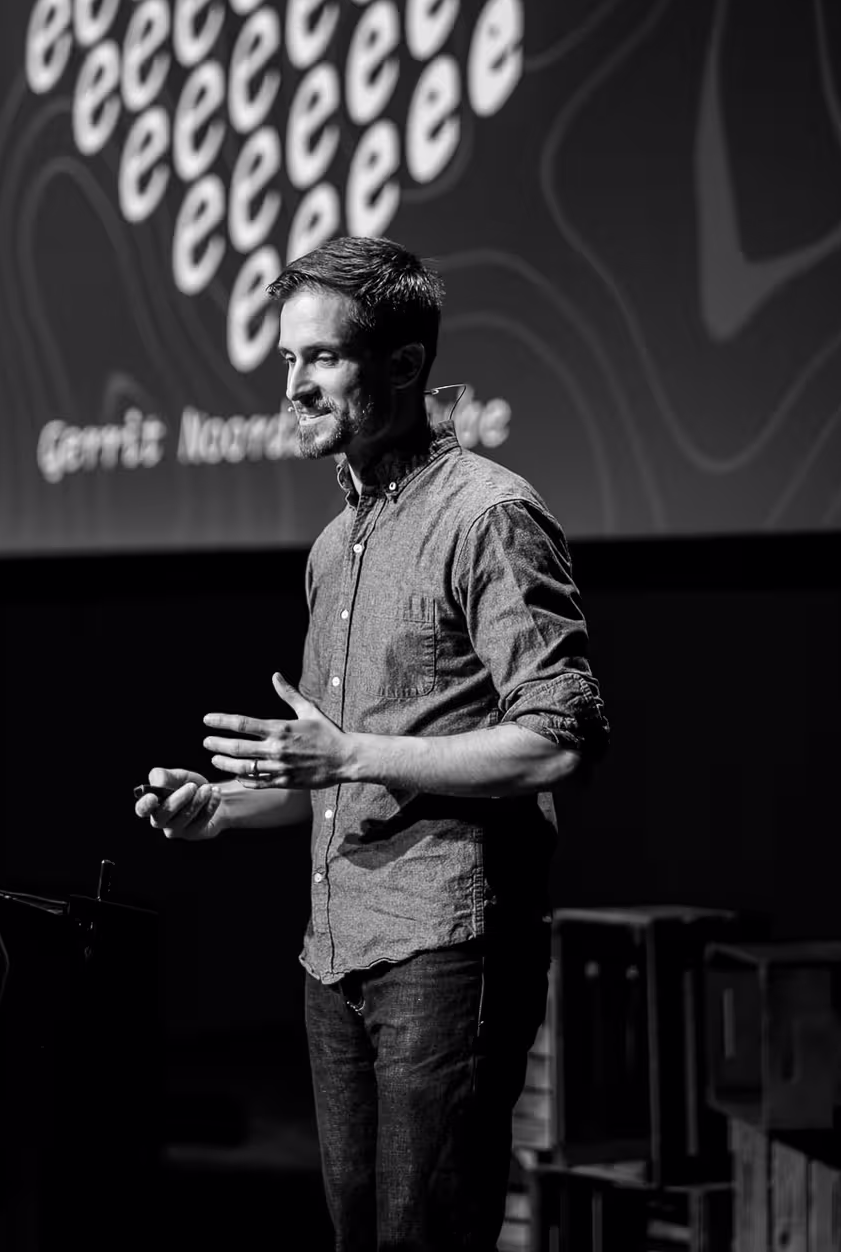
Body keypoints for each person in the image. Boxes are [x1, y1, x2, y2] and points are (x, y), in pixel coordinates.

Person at [136, 236, 609, 1251]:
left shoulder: (489, 516)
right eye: (287, 362)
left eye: (322, 359)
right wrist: (223, 808)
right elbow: (331, 769)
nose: (295, 385)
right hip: (335, 955)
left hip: (446, 949)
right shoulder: (332, 547)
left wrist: (346, 757)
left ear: (403, 364)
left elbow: (559, 739)